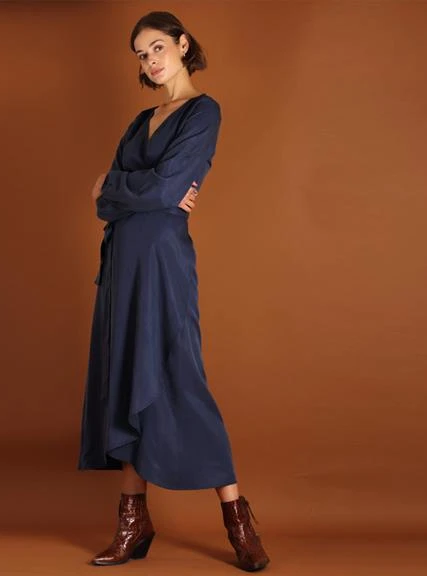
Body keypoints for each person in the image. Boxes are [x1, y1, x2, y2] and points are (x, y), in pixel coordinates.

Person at [77, 11, 270, 572]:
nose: (150, 60)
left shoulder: (203, 112)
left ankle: (237, 519)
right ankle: (133, 523)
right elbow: (107, 204)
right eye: (141, 54)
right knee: (125, 379)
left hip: (163, 261)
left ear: (183, 45)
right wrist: (132, 190)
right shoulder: (141, 121)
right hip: (121, 262)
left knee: (179, 375)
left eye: (157, 47)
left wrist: (117, 185)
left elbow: (162, 192)